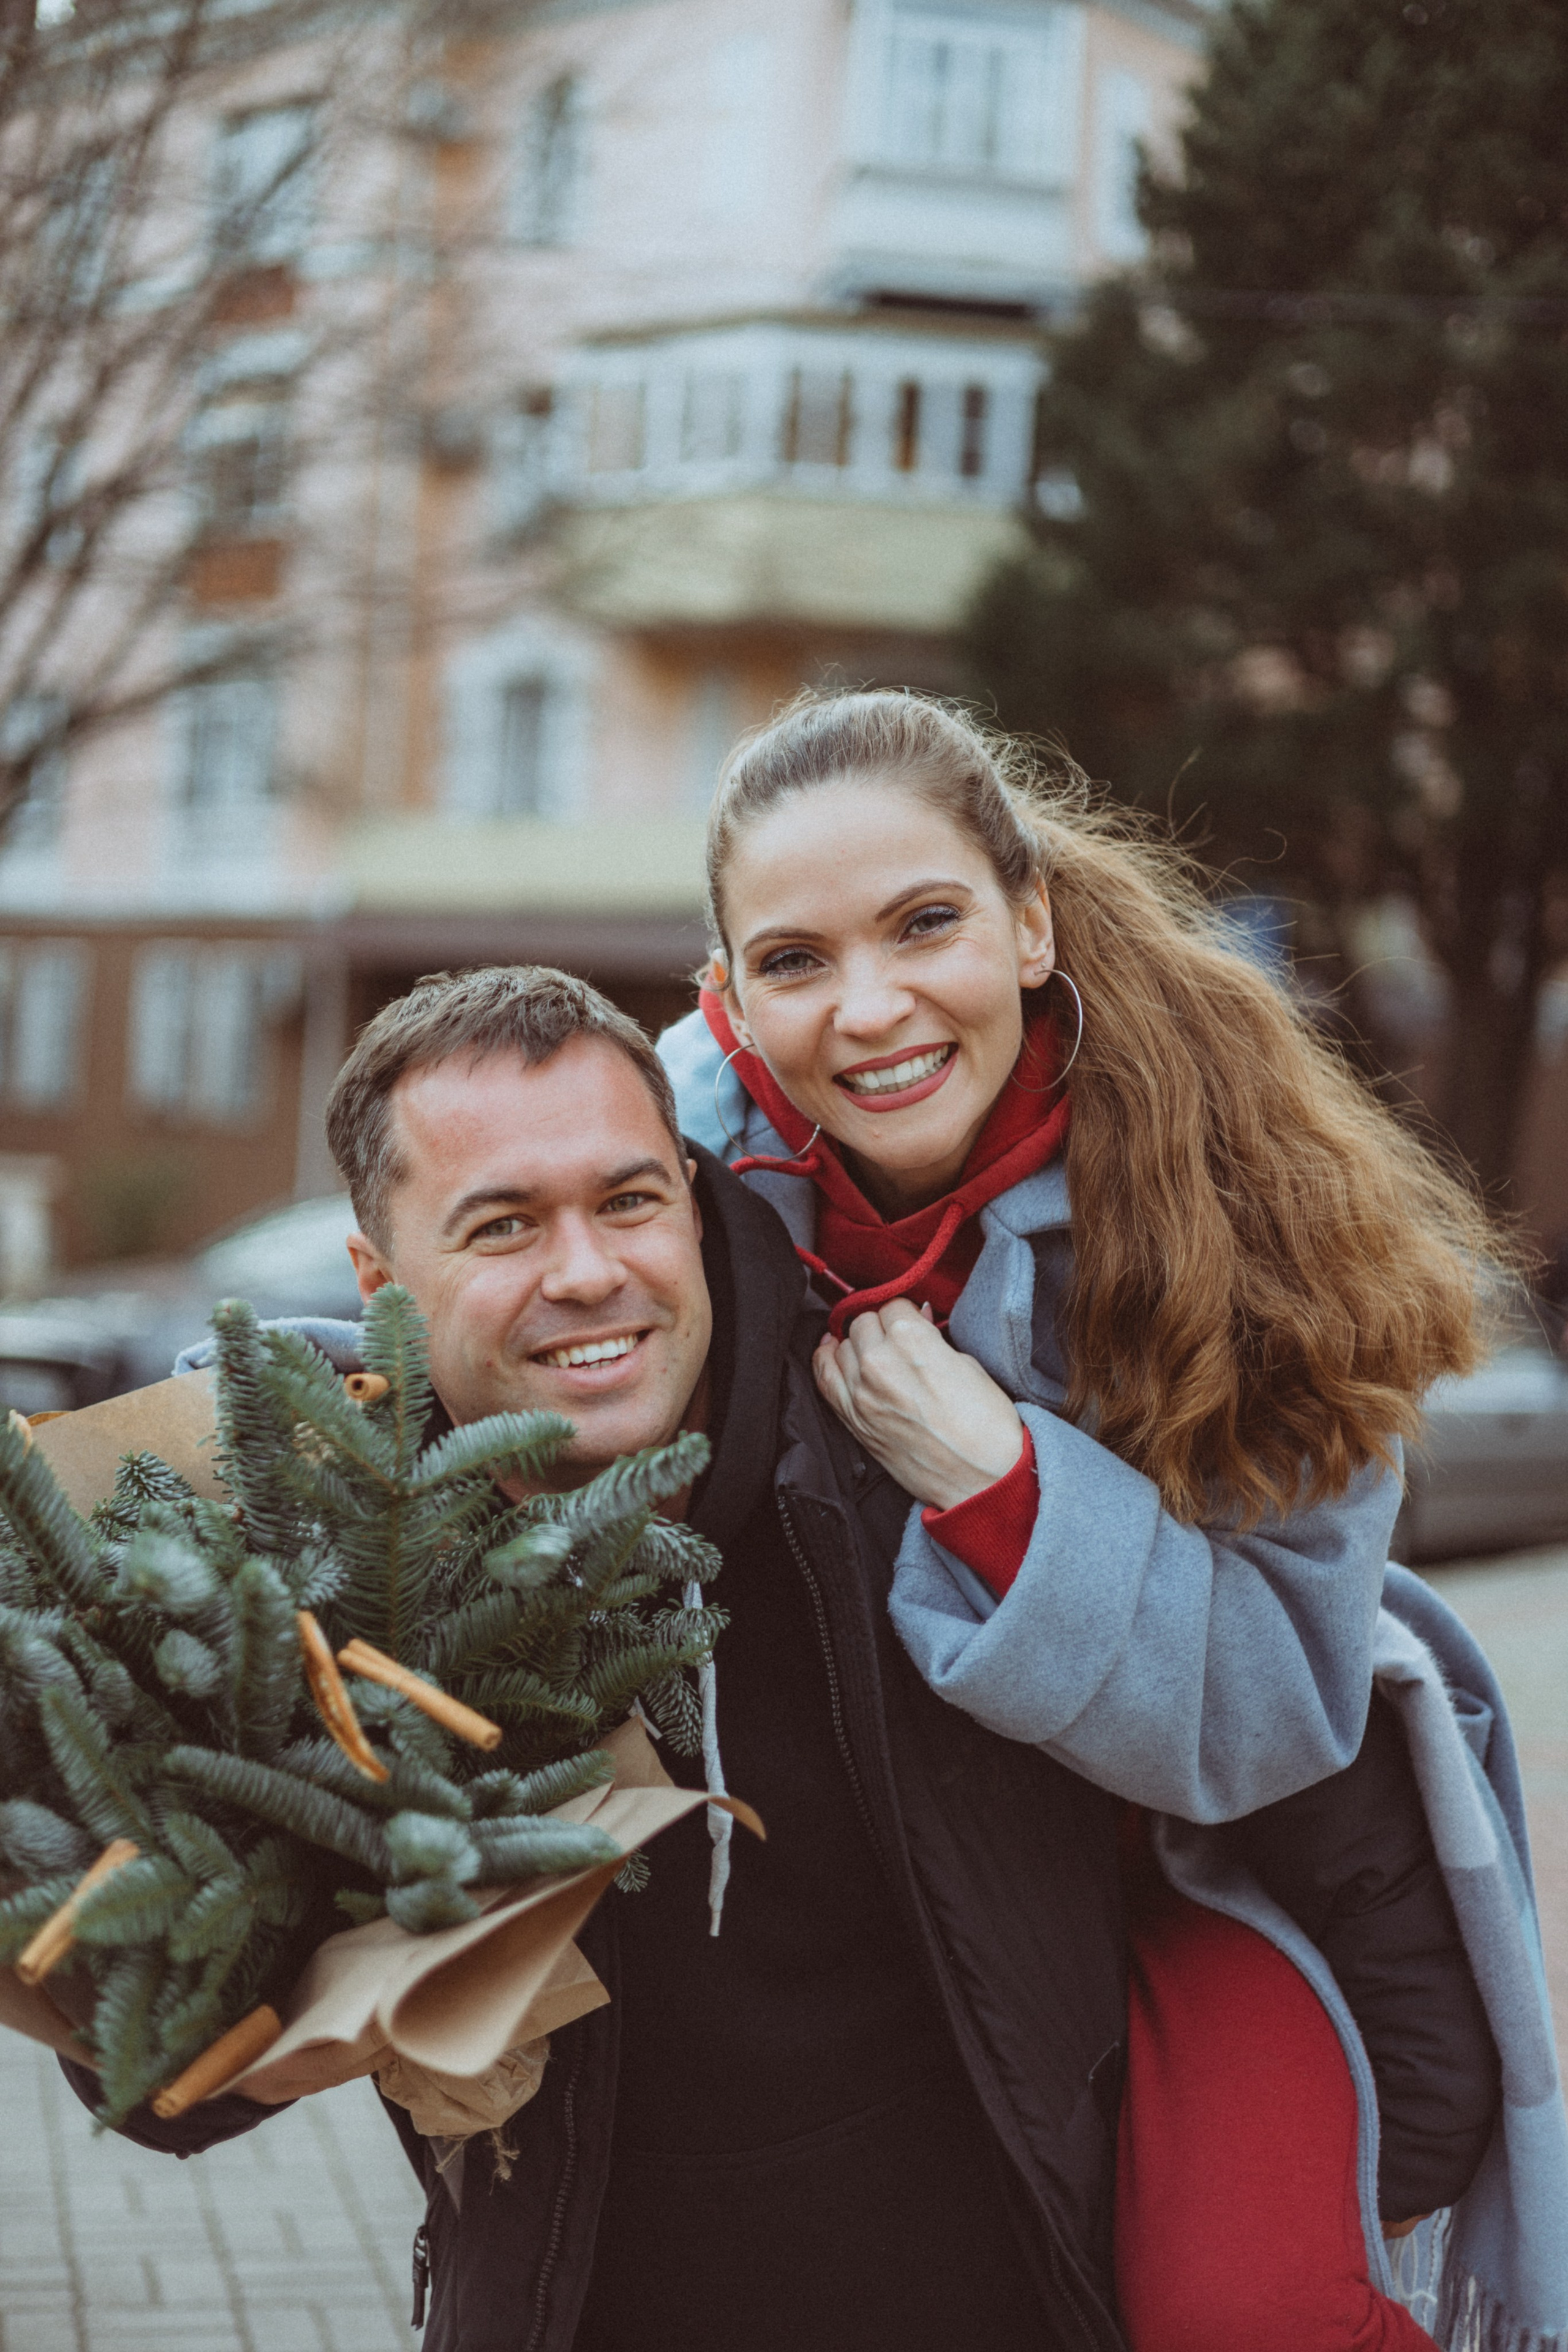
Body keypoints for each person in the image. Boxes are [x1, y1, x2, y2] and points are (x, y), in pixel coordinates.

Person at [62, 968, 1564, 2352]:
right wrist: (212, 2043)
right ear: (376, 1263)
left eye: (628, 1200)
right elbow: (154, 2055)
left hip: (1019, 2304)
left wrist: (1387, 2155)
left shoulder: (908, 1455)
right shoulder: (321, 1585)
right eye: (502, 1224)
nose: (588, 1273)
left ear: (693, 1190)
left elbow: (1287, 1744)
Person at [654, 690, 1565, 2348]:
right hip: (824, 1881)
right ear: (725, 1005)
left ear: (1029, 922)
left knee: (1252, 2312)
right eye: (794, 963)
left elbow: (1276, 1706)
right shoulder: (666, 1199)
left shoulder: (1248, 1217)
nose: (868, 1010)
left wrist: (1002, 1491)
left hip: (1173, 1872)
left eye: (924, 923)